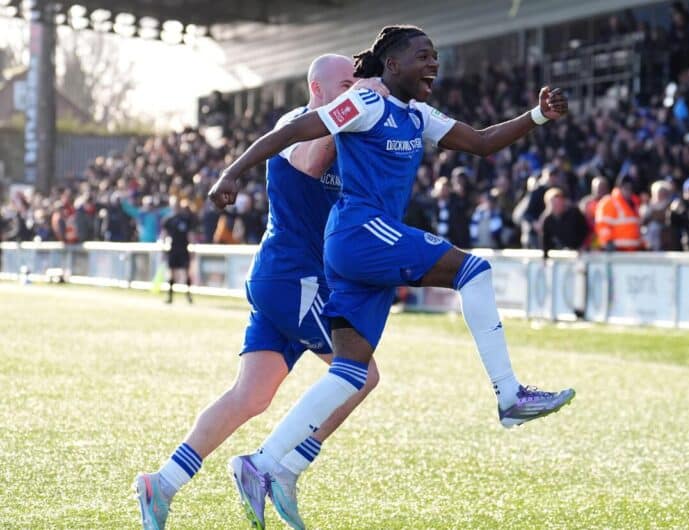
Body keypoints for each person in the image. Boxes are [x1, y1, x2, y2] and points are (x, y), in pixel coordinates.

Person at [209, 25, 575, 523]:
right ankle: (510, 395)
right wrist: (232, 171)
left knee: (351, 372)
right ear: (393, 64)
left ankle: (264, 463)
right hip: (361, 233)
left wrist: (536, 116)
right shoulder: (364, 105)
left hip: (363, 249)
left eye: (436, 57)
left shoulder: (417, 115)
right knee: (474, 270)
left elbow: (484, 142)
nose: (433, 65)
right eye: (423, 56)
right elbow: (295, 131)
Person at [134, 55, 388, 530]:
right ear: (317, 87)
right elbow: (311, 162)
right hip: (294, 279)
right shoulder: (295, 124)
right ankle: (279, 469)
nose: (355, 91)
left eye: (358, 84)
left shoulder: (339, 128)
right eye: (346, 84)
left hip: (294, 280)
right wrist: (357, 107)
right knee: (361, 373)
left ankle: (161, 483)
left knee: (250, 397)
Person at [595, 175, 644, 251]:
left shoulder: (634, 204)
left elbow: (636, 227)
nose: (629, 191)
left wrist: (642, 244)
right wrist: (608, 241)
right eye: (626, 188)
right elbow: (602, 225)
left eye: (631, 189)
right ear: (620, 188)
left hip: (633, 251)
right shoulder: (609, 202)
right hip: (617, 251)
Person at [161, 197, 197, 304]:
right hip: (173, 249)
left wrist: (192, 248)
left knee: (186, 272)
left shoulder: (185, 219)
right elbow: (164, 235)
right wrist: (163, 248)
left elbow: (190, 235)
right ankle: (170, 296)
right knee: (171, 273)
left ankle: (188, 296)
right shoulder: (168, 220)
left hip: (183, 249)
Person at [539, 187, 589, 257]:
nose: (557, 206)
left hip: (580, 252)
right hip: (561, 253)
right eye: (554, 204)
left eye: (559, 203)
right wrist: (545, 258)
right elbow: (545, 241)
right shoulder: (547, 220)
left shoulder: (574, 213)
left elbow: (586, 231)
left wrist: (583, 246)